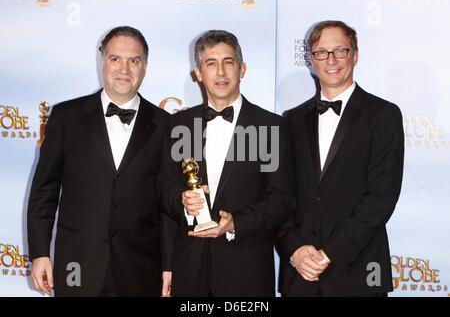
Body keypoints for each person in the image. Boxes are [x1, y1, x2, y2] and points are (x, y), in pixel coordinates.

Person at [27, 26, 171, 296]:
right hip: (76, 265)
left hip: (141, 269)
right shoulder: (66, 117)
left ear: (145, 67)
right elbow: (43, 193)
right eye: (116, 59)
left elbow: (167, 205)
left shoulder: (165, 126)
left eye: (134, 61)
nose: (124, 69)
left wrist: (169, 266)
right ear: (102, 61)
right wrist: (39, 253)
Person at [159, 30, 295, 296]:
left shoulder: (271, 127)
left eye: (228, 62)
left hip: (248, 273)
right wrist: (182, 200)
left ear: (242, 69)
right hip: (189, 272)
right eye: (211, 63)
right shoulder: (179, 125)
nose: (220, 72)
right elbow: (165, 188)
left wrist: (236, 223)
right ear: (198, 73)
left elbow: (282, 198)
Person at [279, 20, 404, 297]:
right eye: (321, 52)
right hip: (301, 274)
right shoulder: (292, 120)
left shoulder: (383, 115)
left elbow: (382, 196)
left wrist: (331, 253)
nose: (331, 60)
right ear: (311, 60)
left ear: (355, 55)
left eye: (340, 50)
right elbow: (280, 194)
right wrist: (295, 249)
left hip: (359, 272)